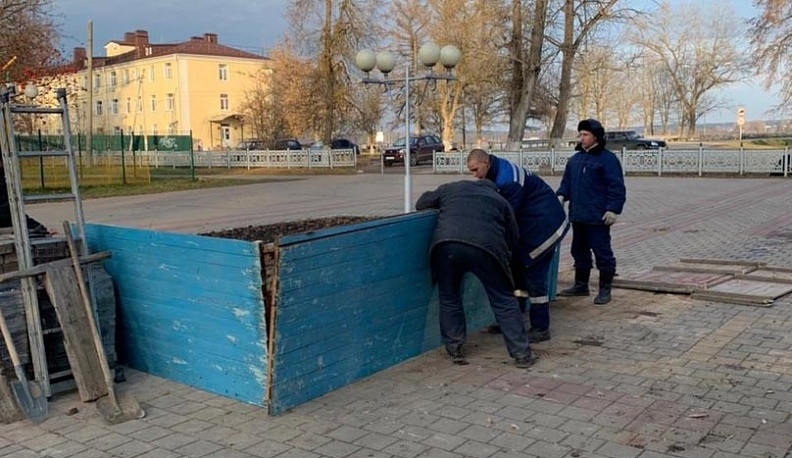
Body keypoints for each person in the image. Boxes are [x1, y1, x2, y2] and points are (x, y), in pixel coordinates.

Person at [416, 179, 535, 368]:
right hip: (486, 249)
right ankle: (521, 354)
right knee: (504, 300)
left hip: (446, 245)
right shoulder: (501, 200)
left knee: (449, 296)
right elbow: (513, 237)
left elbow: (421, 203)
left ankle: (454, 348)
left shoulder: (450, 187)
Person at [466, 149, 569, 343]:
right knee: (517, 271)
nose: (474, 175)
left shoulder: (508, 181)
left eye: (475, 170)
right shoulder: (498, 172)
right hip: (531, 224)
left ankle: (540, 328)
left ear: (486, 163)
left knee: (534, 273)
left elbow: (506, 216)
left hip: (544, 227)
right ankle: (513, 319)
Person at [556, 118, 626, 305]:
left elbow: (616, 187)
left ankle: (605, 289)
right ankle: (581, 285)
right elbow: (567, 184)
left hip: (598, 217)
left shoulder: (608, 160)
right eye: (580, 134)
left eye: (585, 134)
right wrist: (561, 196)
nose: (581, 138)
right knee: (579, 251)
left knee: (602, 252)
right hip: (578, 215)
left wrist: (613, 209)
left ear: (596, 137)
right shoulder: (575, 160)